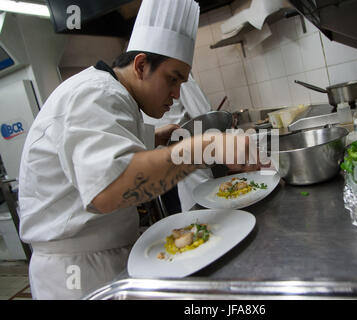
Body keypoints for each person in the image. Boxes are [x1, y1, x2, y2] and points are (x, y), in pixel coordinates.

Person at [18, 0, 258, 299]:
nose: (176, 94)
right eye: (172, 79)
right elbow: (108, 190)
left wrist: (154, 137)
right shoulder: (95, 93)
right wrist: (206, 147)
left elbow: (104, 147)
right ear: (141, 65)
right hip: (78, 271)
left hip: (103, 255)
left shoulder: (111, 92)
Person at [143, 73, 214, 212]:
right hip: (184, 157)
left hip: (156, 163)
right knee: (204, 213)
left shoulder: (139, 83)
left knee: (187, 218)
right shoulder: (178, 73)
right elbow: (203, 112)